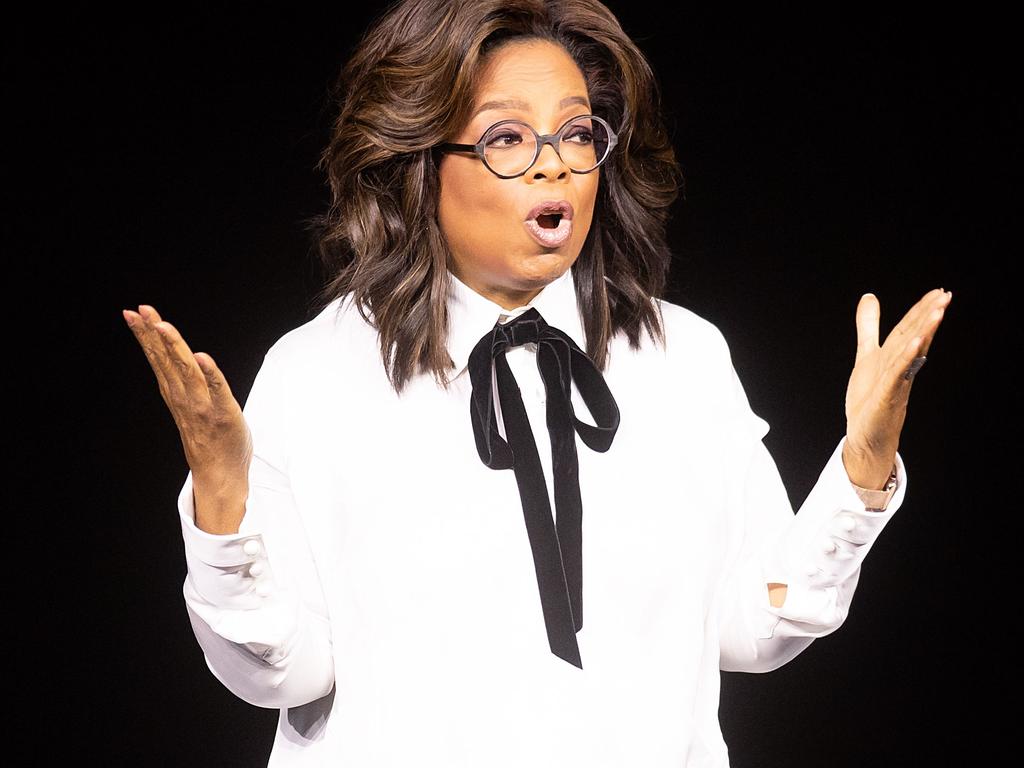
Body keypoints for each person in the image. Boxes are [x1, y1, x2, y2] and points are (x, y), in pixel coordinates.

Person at [122, 0, 951, 765]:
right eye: (506, 138)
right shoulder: (318, 373)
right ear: (422, 164)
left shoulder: (685, 358)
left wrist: (860, 473)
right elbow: (280, 674)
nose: (554, 167)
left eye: (577, 133)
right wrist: (221, 507)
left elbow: (751, 629)